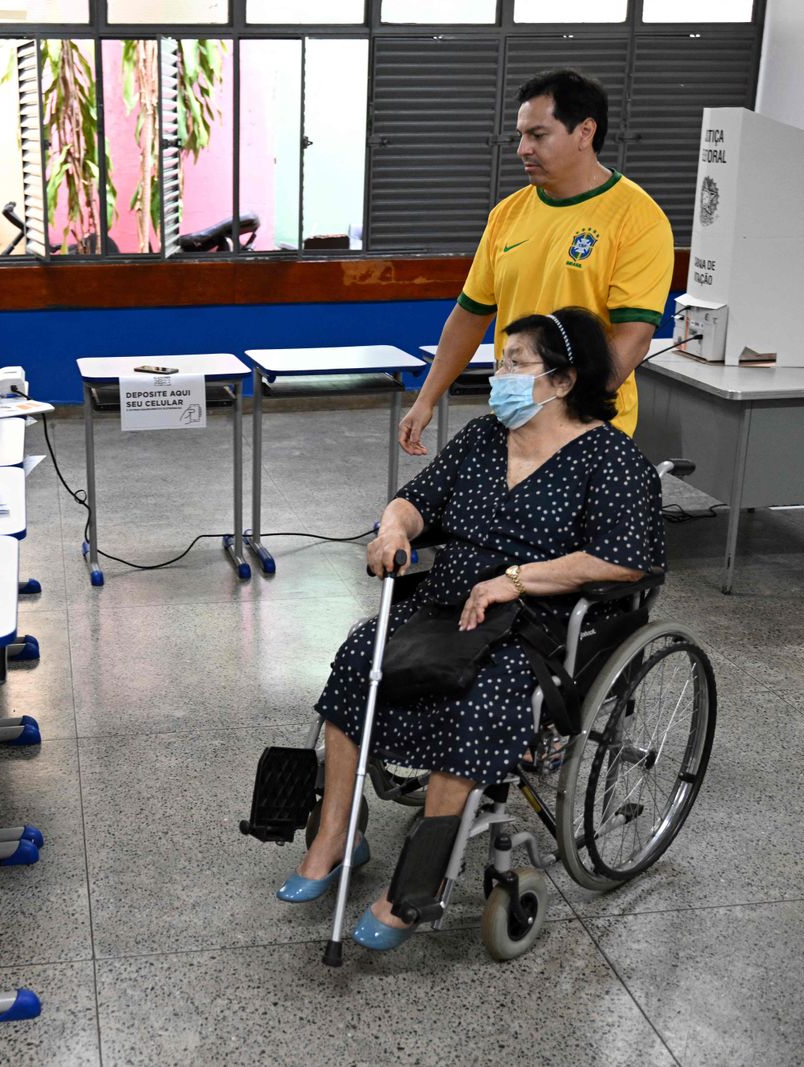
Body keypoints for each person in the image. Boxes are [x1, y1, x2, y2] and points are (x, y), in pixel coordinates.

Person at [280, 307, 666, 951]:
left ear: (564, 381)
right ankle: (334, 832)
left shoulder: (610, 459)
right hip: (445, 605)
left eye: (517, 363)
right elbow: (417, 498)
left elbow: (623, 558)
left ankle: (419, 880)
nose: (500, 374)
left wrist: (517, 578)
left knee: (481, 692)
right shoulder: (485, 438)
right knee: (359, 654)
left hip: (536, 626)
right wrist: (393, 528)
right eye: (500, 361)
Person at [399, 68, 673, 448]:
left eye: (538, 135)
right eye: (522, 135)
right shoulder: (507, 214)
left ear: (585, 132)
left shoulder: (637, 219)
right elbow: (469, 316)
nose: (522, 148)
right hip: (514, 422)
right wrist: (426, 399)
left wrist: (561, 414)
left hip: (589, 429)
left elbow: (632, 339)